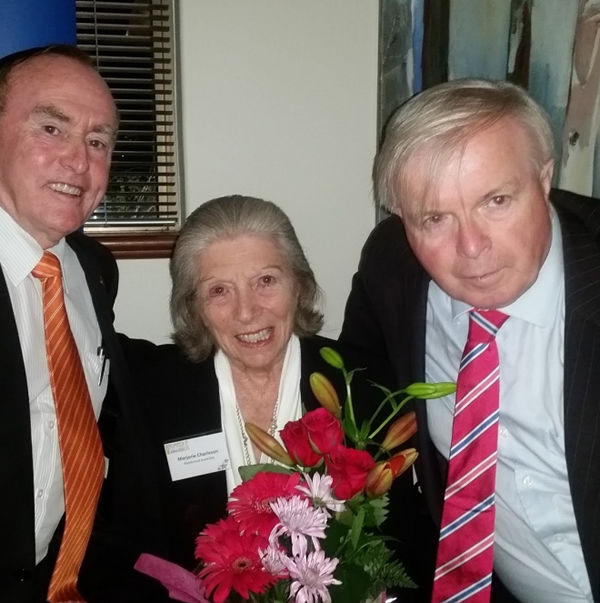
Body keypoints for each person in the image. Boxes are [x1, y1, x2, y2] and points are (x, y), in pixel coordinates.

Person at [340, 78, 600, 602]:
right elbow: (358, 389)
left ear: (544, 178)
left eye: (496, 200)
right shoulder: (392, 267)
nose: (471, 247)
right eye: (434, 218)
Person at [122, 195, 413, 580]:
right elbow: (132, 543)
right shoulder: (154, 396)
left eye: (266, 281)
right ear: (194, 307)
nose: (247, 311)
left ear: (299, 286)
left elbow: (401, 539)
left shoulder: (365, 389)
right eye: (219, 291)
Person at [0, 44, 163, 602]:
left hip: (65, 577)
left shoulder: (91, 268)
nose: (79, 161)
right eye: (51, 128)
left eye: (98, 141)